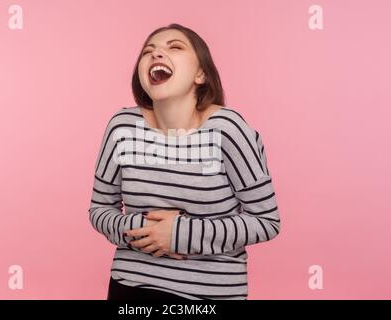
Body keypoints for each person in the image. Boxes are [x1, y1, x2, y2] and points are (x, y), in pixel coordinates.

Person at [88, 23, 281, 300]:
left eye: (174, 47)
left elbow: (266, 221)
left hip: (207, 295)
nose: (156, 55)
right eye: (148, 51)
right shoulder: (122, 127)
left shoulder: (228, 129)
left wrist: (180, 233)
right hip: (130, 287)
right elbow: (100, 210)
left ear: (201, 74)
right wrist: (144, 230)